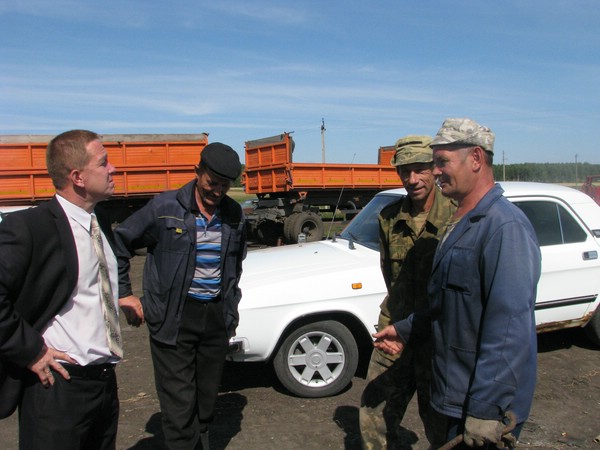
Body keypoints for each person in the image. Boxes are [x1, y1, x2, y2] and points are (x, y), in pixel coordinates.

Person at [373, 118, 541, 449]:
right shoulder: (466, 223)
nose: (434, 172)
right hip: (452, 393)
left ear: (476, 159)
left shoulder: (503, 228)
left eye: (441, 162)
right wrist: (406, 328)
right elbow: (448, 306)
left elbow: (508, 329)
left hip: (477, 406)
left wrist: (486, 409)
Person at [113, 142, 247, 450]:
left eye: (225, 185)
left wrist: (231, 308)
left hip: (215, 316)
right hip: (173, 316)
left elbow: (235, 265)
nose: (217, 191)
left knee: (206, 398)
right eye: (212, 182)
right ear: (197, 172)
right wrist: (125, 294)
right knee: (178, 403)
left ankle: (197, 440)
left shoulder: (234, 214)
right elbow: (120, 242)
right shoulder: (165, 208)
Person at [0, 130, 122, 449]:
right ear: (78, 176)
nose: (114, 169)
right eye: (104, 162)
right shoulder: (31, 227)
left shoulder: (100, 222)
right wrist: (30, 350)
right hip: (57, 389)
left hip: (105, 384)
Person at [359, 136, 455, 449]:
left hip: (438, 338)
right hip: (395, 330)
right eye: (404, 171)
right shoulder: (389, 219)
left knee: (442, 426)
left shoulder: (457, 216)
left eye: (419, 170)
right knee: (373, 416)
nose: (411, 179)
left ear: (435, 169)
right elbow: (391, 275)